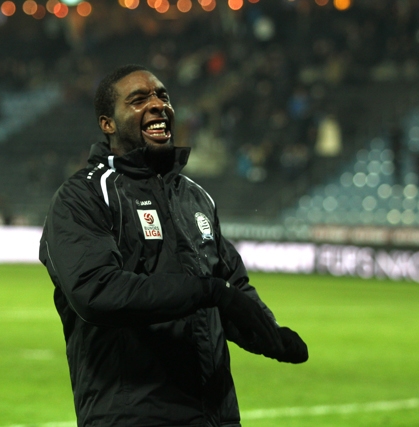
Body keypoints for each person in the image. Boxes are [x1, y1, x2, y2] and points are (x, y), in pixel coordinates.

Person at [39, 64, 308, 427]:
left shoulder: (196, 197)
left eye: (162, 96)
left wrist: (270, 335)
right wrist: (208, 292)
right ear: (108, 124)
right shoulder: (84, 195)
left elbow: (231, 285)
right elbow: (96, 290)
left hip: (216, 414)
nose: (157, 105)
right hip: (133, 415)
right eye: (138, 100)